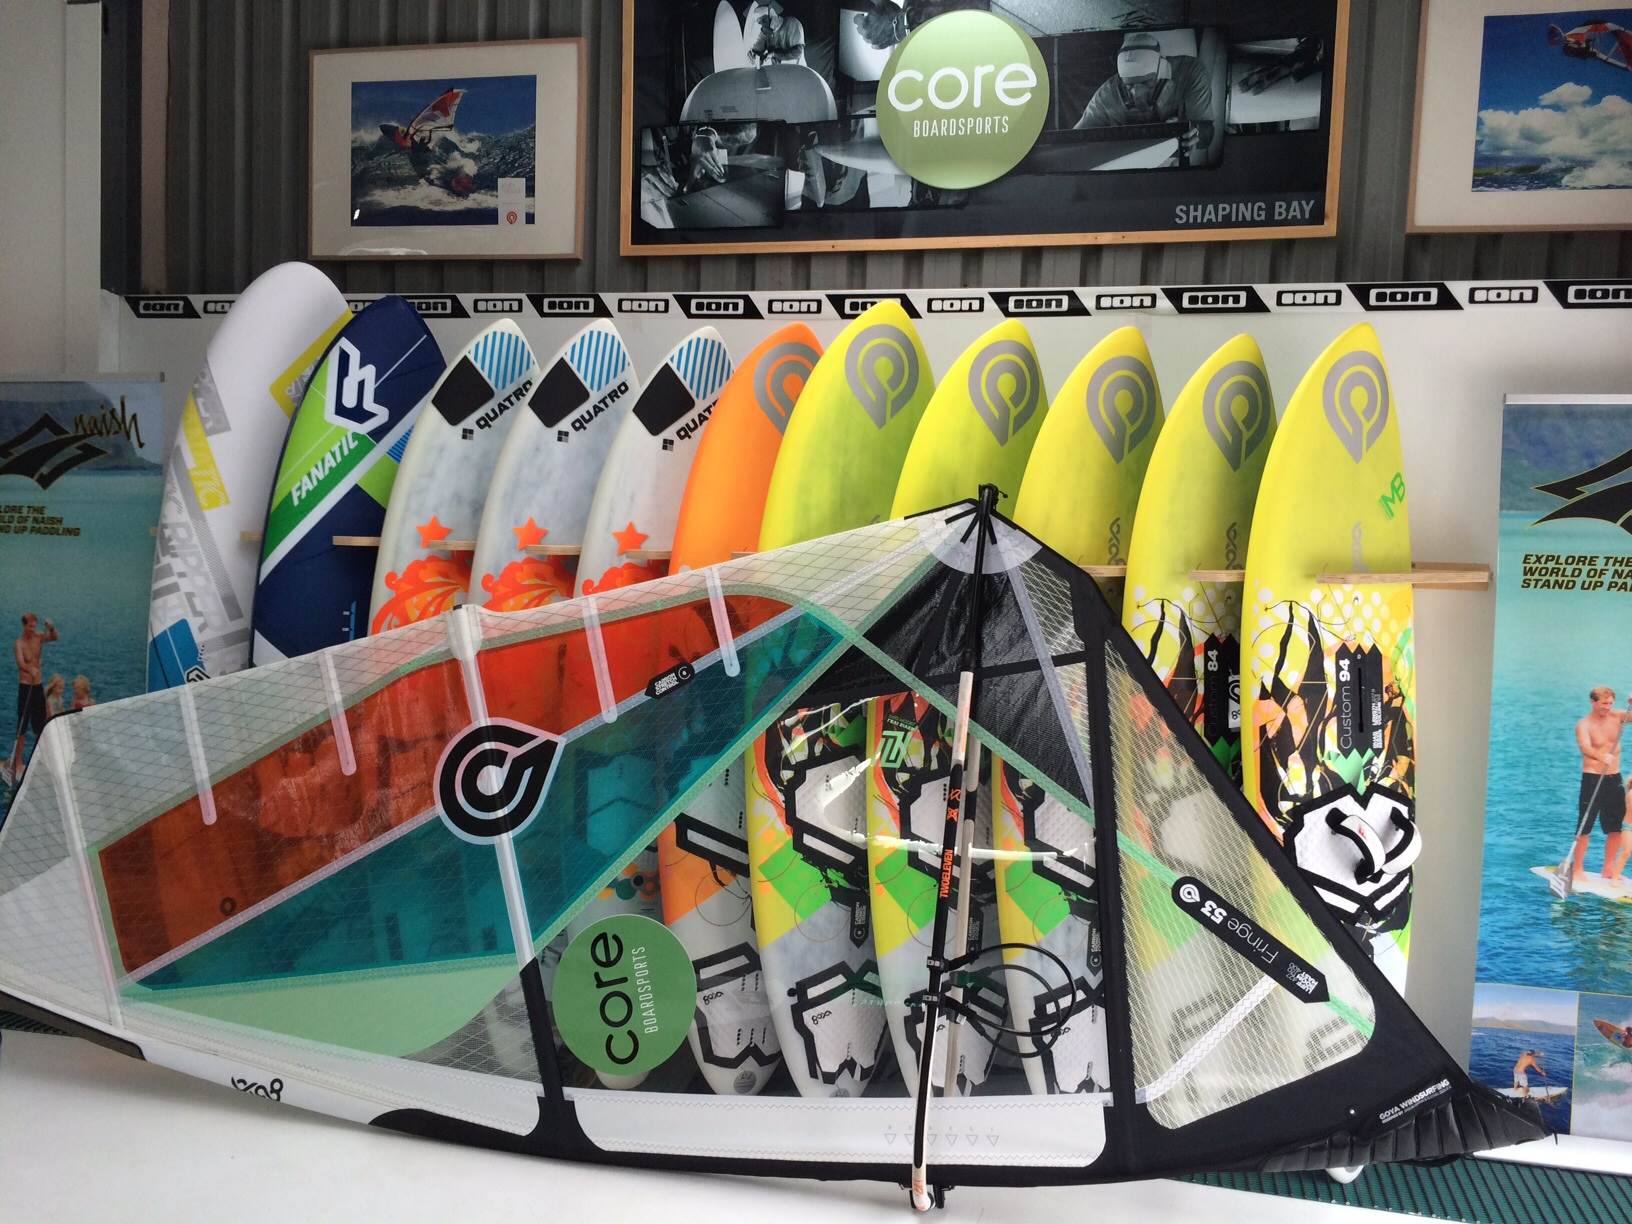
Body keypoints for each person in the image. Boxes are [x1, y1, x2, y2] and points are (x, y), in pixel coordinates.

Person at [1074, 32, 1215, 164]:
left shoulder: (1190, 73)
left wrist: (1195, 132)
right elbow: (1075, 142)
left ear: (1162, 69)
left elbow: (1207, 132)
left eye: (1145, 83)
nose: (1136, 94)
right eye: (1128, 86)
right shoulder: (1107, 95)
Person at [1569, 687, 1632, 882]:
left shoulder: (1618, 717)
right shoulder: (1584, 725)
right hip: (1593, 778)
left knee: (1615, 827)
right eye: (1604, 703)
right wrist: (1600, 756)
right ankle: (1577, 869)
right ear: (1593, 702)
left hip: (1614, 778)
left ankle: (1608, 869)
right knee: (1585, 826)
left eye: (1610, 703)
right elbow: (1585, 747)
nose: (1608, 707)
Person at [7, 612, 59, 786]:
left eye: (34, 626)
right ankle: (18, 763)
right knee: (22, 726)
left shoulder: (38, 637)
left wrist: (51, 627)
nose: (33, 629)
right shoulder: (19, 643)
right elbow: (20, 663)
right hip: (25, 687)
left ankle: (42, 762)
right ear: (24, 626)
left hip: (37, 688)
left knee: (41, 726)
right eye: (30, 626)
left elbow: (55, 637)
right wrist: (30, 669)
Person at [744, 1, 806, 66]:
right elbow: (757, 51)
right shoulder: (765, 32)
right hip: (778, 70)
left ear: (772, 15)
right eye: (760, 23)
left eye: (764, 20)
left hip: (798, 68)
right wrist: (753, 55)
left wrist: (774, 54)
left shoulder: (793, 23)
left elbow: (798, 53)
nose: (763, 25)